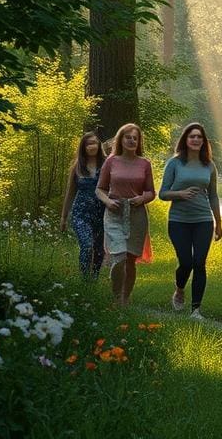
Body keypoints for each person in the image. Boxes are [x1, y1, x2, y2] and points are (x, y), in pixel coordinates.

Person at [159, 122, 222, 320]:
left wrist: (218, 223)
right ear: (185, 140)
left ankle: (196, 310)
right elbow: (162, 193)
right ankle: (179, 289)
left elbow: (213, 196)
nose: (196, 140)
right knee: (186, 263)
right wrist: (180, 194)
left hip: (203, 220)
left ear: (204, 142)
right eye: (192, 136)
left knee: (199, 263)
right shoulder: (175, 163)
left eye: (199, 137)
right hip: (179, 220)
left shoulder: (209, 166)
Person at [95, 123, 155, 306]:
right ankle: (116, 296)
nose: (131, 140)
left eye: (135, 138)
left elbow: (151, 192)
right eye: (128, 137)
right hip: (114, 212)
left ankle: (125, 297)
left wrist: (142, 199)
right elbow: (100, 189)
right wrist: (108, 201)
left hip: (137, 214)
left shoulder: (144, 164)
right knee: (118, 257)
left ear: (139, 142)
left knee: (130, 259)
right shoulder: (111, 161)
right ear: (120, 139)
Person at [59, 132, 106, 278]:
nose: (92, 146)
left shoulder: (106, 165)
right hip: (81, 213)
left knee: (99, 249)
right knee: (87, 245)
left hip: (102, 213)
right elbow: (70, 193)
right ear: (83, 147)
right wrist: (64, 217)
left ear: (99, 145)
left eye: (94, 143)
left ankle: (94, 278)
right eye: (88, 144)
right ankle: (84, 279)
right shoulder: (77, 168)